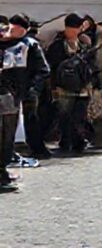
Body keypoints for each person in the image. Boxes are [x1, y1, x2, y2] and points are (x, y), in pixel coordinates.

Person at [0, 14, 50, 188]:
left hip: (11, 96)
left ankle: (2, 169)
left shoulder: (29, 45)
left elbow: (43, 70)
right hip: (9, 94)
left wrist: (32, 91)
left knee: (7, 135)